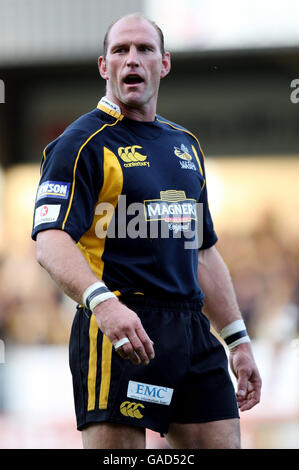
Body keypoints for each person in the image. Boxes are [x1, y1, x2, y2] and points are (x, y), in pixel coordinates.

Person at [31, 13, 262, 449]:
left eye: (143, 49)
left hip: (192, 330)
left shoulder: (186, 145)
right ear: (104, 66)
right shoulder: (80, 144)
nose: (131, 59)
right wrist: (105, 306)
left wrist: (238, 339)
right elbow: (50, 241)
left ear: (165, 63)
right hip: (121, 327)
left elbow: (203, 252)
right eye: (120, 50)